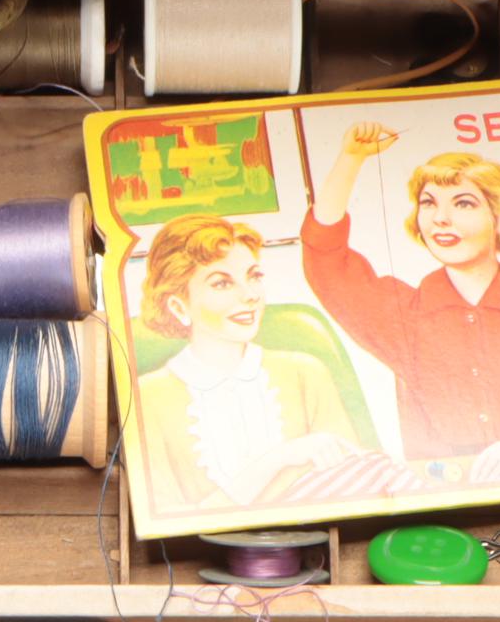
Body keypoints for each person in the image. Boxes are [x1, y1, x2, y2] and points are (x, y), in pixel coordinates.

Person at [299, 124, 500, 482]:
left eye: (463, 203)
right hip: (448, 502)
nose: (441, 218)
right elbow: (326, 261)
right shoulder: (404, 316)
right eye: (429, 203)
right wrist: (351, 158)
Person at [131, 214, 414, 513]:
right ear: (178, 305)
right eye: (222, 283)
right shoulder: (146, 397)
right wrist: (277, 461)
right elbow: (164, 518)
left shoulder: (306, 371)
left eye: (254, 277)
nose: (250, 295)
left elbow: (355, 484)